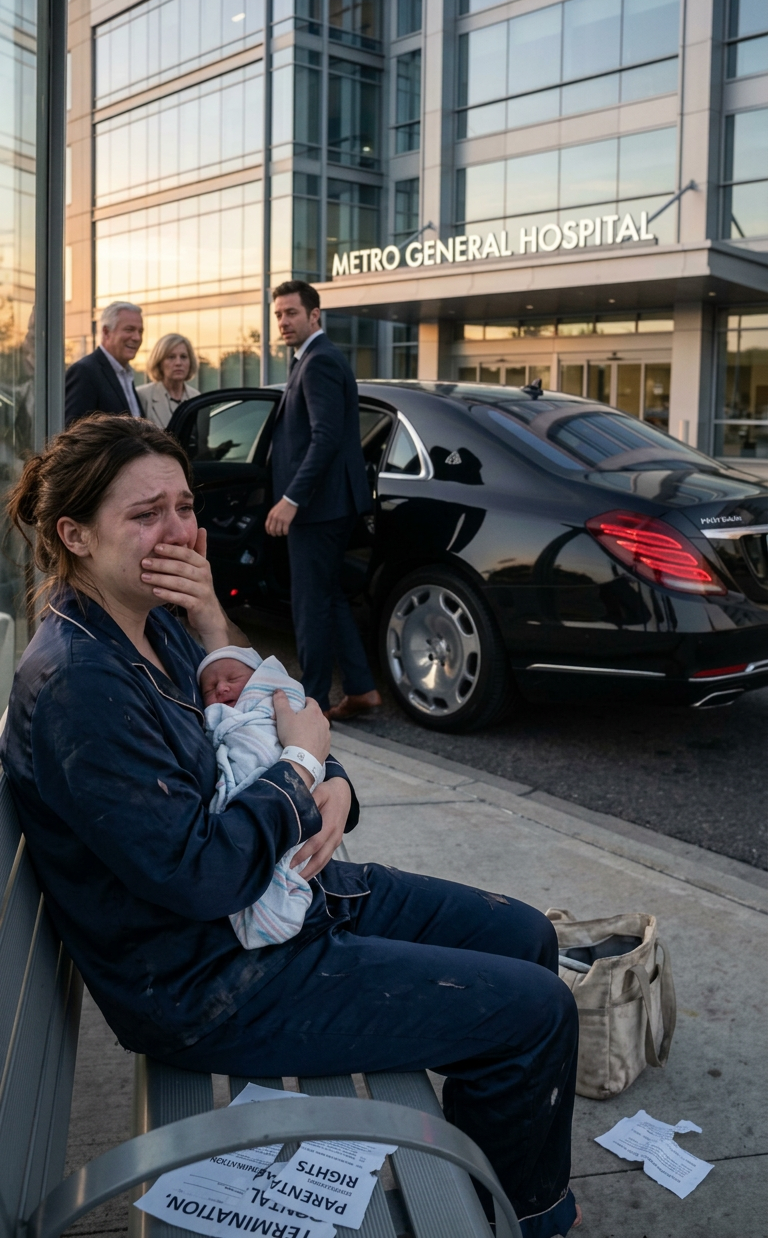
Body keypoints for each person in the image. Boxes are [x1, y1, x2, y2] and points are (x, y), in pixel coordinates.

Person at [1, 414, 581, 1238]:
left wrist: (328, 780)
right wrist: (309, 770)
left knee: (525, 936)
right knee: (536, 1013)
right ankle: (529, 1217)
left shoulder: (151, 617)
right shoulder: (80, 685)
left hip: (281, 901)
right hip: (212, 978)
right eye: (144, 515)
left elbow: (261, 718)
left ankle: (491, 1183)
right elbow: (203, 872)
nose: (179, 531)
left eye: (185, 505)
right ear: (76, 534)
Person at [266, 280, 382, 722]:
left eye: (291, 313)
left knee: (310, 606)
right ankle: (361, 690)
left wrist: (292, 498)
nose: (283, 322)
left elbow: (326, 437)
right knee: (328, 599)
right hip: (329, 504)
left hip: (318, 508)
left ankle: (309, 705)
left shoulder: (319, 361)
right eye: (278, 315)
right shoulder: (312, 360)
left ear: (315, 315)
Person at [198, 643, 346, 950]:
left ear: (259, 682)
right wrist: (303, 760)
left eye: (233, 678)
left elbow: (308, 738)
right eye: (210, 689)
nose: (222, 688)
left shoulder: (274, 704)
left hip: (294, 812)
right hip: (253, 829)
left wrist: (337, 781)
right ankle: (273, 901)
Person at [65, 301, 144, 425]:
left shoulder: (126, 374)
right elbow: (73, 432)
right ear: (106, 332)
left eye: (140, 331)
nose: (137, 337)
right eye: (130, 330)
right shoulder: (84, 372)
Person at [136, 333, 200, 429]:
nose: (178, 363)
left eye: (183, 357)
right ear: (159, 362)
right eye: (171, 357)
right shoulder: (143, 396)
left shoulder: (196, 397)